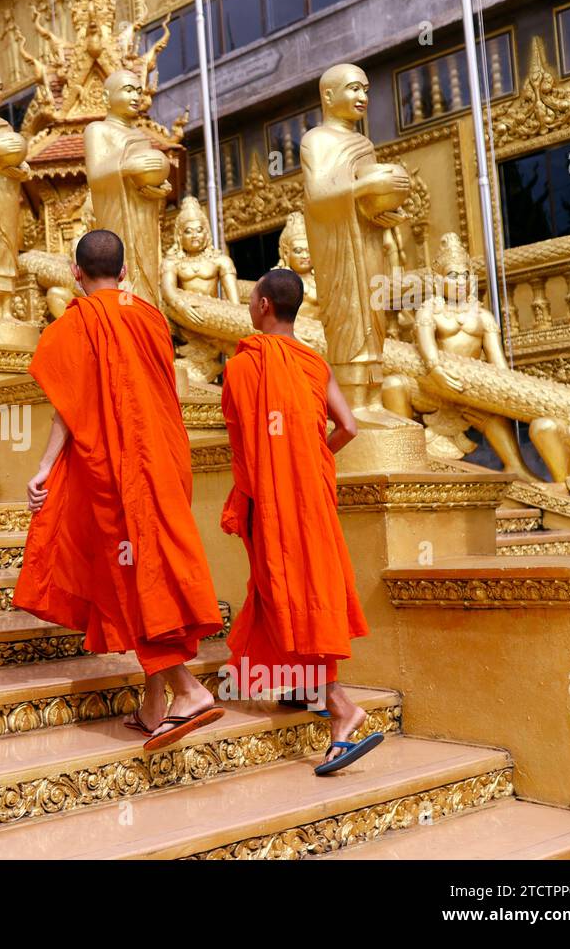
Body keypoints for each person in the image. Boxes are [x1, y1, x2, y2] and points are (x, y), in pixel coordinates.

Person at [13, 230, 225, 752]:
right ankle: (154, 703)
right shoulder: (150, 315)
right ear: (125, 272)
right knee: (153, 566)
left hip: (119, 465)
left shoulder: (77, 322)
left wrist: (44, 466)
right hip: (167, 455)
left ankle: (187, 689)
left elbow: (72, 403)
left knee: (136, 575)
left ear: (75, 272)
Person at [219, 267, 382, 775]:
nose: (249, 305)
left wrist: (252, 490)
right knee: (304, 588)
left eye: (251, 298)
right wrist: (314, 457)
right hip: (311, 495)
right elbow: (349, 427)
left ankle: (340, 706)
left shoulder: (244, 366)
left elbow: (245, 445)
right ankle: (302, 685)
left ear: (264, 305)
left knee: (282, 589)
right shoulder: (314, 362)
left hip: (272, 498)